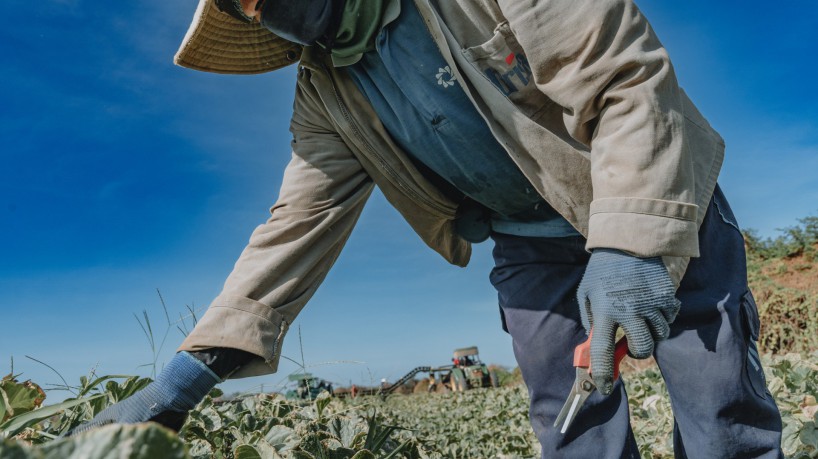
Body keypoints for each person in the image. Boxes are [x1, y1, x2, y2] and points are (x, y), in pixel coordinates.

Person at [70, 0, 784, 456]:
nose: (262, 6)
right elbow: (296, 225)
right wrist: (184, 380)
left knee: (718, 400)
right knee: (569, 424)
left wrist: (629, 244)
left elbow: (626, 78)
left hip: (649, 196)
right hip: (530, 245)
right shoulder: (327, 93)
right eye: (247, 4)